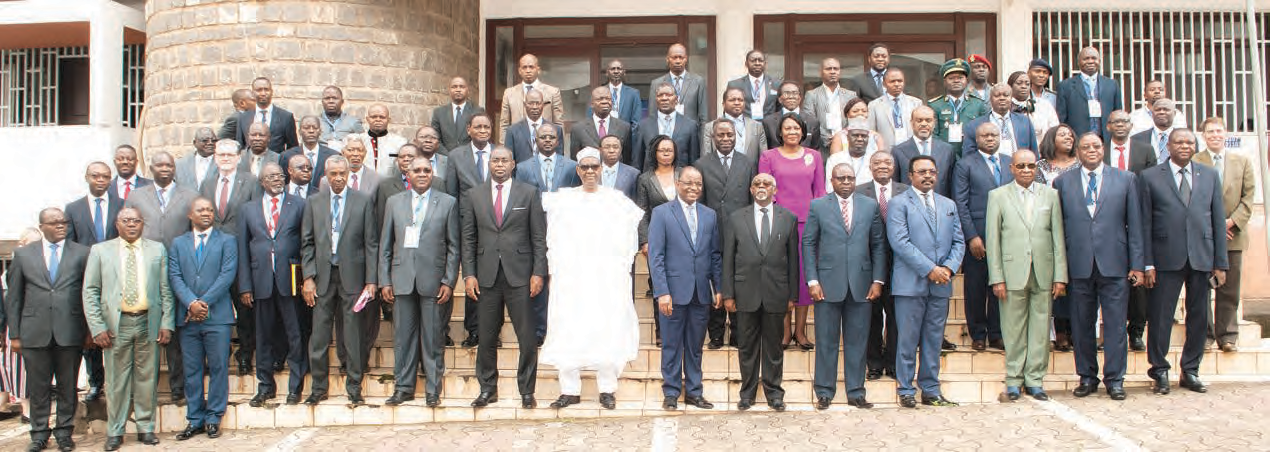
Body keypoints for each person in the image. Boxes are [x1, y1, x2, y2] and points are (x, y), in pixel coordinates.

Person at [539, 148, 643, 410]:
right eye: (584, 167)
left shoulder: (616, 200)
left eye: (593, 167)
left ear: (601, 170)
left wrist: (621, 269)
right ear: (577, 170)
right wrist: (553, 272)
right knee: (569, 328)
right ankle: (569, 389)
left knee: (606, 328)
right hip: (571, 277)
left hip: (605, 278)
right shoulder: (563, 201)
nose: (589, 171)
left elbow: (629, 238)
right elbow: (552, 240)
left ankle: (607, 388)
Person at [1053, 132, 1144, 401]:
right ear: (1077, 152)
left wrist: (1137, 264)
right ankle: (1087, 377)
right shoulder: (1062, 182)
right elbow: (1058, 229)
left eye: (1095, 146)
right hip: (1079, 265)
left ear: (1103, 149)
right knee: (1081, 325)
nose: (1091, 150)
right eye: (1085, 147)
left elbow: (1136, 225)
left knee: (1115, 325)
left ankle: (1115, 379)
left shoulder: (1126, 179)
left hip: (1115, 264)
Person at [1140, 128, 1228, 395]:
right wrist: (1147, 263)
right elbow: (1144, 223)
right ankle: (1160, 370)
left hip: (1202, 256)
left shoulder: (1209, 175)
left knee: (1199, 317)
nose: (1185, 146)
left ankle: (1190, 370)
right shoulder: (1150, 176)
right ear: (1168, 144)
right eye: (1179, 141)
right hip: (1165, 258)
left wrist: (1220, 263)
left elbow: (1217, 219)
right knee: (1161, 317)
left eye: (1190, 142)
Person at [462, 147, 547, 409]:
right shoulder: (474, 195)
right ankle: (488, 389)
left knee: (527, 337)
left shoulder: (529, 192)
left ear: (513, 164)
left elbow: (538, 238)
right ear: (489, 164)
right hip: (486, 276)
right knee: (486, 336)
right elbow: (468, 238)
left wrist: (538, 272)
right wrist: (469, 274)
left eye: (504, 160)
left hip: (520, 275)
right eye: (495, 160)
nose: (499, 165)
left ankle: (526, 391)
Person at [83, 207, 175, 451]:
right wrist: (97, 326)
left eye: (136, 221)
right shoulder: (100, 251)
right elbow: (90, 291)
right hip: (116, 324)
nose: (132, 225)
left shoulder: (157, 249)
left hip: (149, 321)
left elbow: (165, 289)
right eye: (126, 220)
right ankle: (116, 430)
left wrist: (167, 322)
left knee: (147, 378)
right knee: (116, 380)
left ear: (143, 223)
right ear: (117, 223)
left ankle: (146, 427)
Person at [985, 149, 1067, 401]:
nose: (1026, 170)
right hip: (1011, 273)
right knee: (1013, 329)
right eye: (1020, 166)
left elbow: (1057, 237)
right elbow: (993, 239)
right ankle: (1013, 379)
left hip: (1044, 270)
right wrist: (996, 277)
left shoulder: (1050, 195)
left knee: (1041, 329)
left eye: (1031, 166)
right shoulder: (998, 196)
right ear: (1011, 168)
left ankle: (1034, 380)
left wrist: (1060, 275)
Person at [6, 208, 90, 452]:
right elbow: (14, 298)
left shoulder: (81, 253)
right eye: (54, 223)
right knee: (39, 387)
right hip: (34, 331)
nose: (61, 226)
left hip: (70, 330)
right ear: (42, 226)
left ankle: (64, 432)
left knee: (67, 386)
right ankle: (39, 433)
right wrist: (15, 334)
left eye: (63, 222)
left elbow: (87, 292)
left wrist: (87, 330)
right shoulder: (23, 255)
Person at [804, 163, 887, 410]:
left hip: (862, 284)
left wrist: (878, 280)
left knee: (858, 341)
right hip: (827, 285)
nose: (847, 182)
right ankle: (824, 392)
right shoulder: (818, 206)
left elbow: (879, 245)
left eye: (850, 178)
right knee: (826, 340)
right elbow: (808, 244)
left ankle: (856, 392)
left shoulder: (869, 205)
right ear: (832, 180)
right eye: (841, 178)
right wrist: (812, 280)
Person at [380, 157, 460, 408]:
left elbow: (453, 247)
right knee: (403, 337)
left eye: (427, 170)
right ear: (408, 173)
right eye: (417, 170)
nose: (423, 174)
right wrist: (385, 280)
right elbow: (385, 246)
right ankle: (403, 388)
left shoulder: (447, 202)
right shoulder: (394, 202)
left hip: (434, 282)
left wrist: (448, 280)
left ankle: (432, 390)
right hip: (401, 280)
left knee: (433, 338)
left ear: (432, 173)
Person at [887, 155, 966, 408]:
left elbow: (959, 241)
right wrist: (930, 269)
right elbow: (900, 242)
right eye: (921, 171)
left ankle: (930, 389)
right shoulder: (898, 203)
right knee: (907, 339)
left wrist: (948, 268)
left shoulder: (948, 204)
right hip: (910, 283)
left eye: (932, 171)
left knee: (933, 339)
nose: (927, 176)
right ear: (910, 175)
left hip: (941, 283)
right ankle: (906, 389)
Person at [300, 155, 377, 406]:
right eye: (333, 174)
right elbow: (307, 243)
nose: (338, 178)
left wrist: (371, 281)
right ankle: (319, 387)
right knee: (320, 335)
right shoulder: (314, 203)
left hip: (353, 279)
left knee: (352, 334)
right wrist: (308, 277)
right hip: (322, 278)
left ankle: (354, 386)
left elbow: (370, 244)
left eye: (342, 173)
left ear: (348, 173)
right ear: (325, 175)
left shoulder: (363, 201)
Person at [721, 173, 797, 411]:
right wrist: (728, 294)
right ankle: (748, 393)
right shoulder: (736, 218)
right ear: (751, 190)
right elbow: (728, 259)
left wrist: (792, 295)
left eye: (767, 184)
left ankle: (775, 394)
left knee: (774, 347)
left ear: (775, 190)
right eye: (757, 184)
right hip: (745, 293)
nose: (762, 187)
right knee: (747, 347)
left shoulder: (789, 218)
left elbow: (794, 260)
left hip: (776, 292)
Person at [125, 150, 196, 403]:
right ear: (151, 169)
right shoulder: (136, 196)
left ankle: (179, 387)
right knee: (148, 331)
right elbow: (127, 229)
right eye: (160, 165)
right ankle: (146, 391)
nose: (165, 168)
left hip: (181, 271)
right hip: (147, 270)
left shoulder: (189, 195)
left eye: (169, 165)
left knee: (178, 330)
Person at [648, 166, 721, 411]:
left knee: (695, 345)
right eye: (689, 183)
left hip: (700, 292)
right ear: (678, 184)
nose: (694, 188)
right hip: (673, 292)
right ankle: (670, 392)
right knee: (671, 344)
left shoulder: (710, 215)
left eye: (698, 184)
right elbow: (655, 257)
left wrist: (718, 288)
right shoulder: (661, 213)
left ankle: (694, 391)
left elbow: (714, 255)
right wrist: (662, 292)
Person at [239, 163, 309, 407]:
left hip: (290, 280)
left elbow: (306, 243)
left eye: (280, 175)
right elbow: (242, 249)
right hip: (261, 282)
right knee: (264, 336)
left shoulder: (299, 205)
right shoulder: (248, 210)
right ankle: (265, 386)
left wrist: (306, 278)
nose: (277, 179)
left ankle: (295, 386)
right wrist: (245, 286)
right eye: (271, 176)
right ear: (262, 182)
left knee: (295, 334)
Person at [168, 198, 237, 441]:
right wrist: (191, 303)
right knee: (192, 369)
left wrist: (203, 303)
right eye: (200, 210)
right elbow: (175, 276)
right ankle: (195, 419)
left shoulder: (227, 241)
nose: (206, 213)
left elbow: (227, 274)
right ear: (190, 214)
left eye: (209, 209)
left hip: (217, 317)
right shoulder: (178, 244)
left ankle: (213, 418)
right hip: (188, 318)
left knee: (218, 367)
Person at [760, 114, 825, 349]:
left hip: (808, 223)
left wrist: (820, 221)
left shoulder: (814, 156)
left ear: (803, 131)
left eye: (796, 128)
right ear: (780, 132)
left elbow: (820, 191)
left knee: (805, 276)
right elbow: (765, 189)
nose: (792, 132)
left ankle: (801, 331)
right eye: (787, 128)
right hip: (780, 223)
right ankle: (785, 331)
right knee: (783, 277)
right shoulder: (768, 156)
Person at [1193, 117, 1255, 352]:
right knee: (1201, 287)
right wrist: (1213, 228)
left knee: (1229, 287)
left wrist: (1230, 224)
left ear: (1225, 132)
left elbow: (1248, 198)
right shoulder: (1195, 161)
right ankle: (1205, 335)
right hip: (1203, 236)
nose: (1215, 135)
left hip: (1233, 235)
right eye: (1210, 131)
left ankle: (1227, 335)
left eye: (1219, 130)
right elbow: (1192, 201)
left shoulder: (1242, 161)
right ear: (1203, 135)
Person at [200, 139, 261, 374]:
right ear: (215, 157)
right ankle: (217, 355)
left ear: (238, 158)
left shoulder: (251, 182)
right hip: (212, 256)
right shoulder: (206, 184)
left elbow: (255, 217)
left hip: (241, 254)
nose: (225, 159)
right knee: (214, 307)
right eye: (220, 155)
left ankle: (245, 355)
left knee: (244, 309)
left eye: (229, 155)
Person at [953, 122, 1013, 351]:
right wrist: (971, 236)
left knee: (1000, 285)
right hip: (978, 235)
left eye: (994, 134)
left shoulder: (1010, 162)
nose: (990, 138)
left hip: (1007, 235)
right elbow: (960, 202)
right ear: (976, 139)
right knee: (976, 286)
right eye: (984, 135)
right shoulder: (965, 164)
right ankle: (978, 333)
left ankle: (997, 333)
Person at [695, 120, 755, 349]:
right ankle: (717, 333)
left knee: (739, 283)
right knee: (715, 281)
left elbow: (751, 200)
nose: (726, 138)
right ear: (713, 138)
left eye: (730, 134)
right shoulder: (702, 164)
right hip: (713, 231)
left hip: (741, 233)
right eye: (721, 135)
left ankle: (738, 333)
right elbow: (699, 201)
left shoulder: (748, 163)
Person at [63, 161, 120, 404]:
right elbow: (69, 244)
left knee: (114, 329)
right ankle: (95, 382)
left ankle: (115, 382)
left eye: (106, 177)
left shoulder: (121, 205)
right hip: (85, 275)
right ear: (87, 177)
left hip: (115, 276)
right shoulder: (74, 208)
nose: (101, 180)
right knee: (90, 331)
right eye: (96, 176)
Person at [1106, 109, 1156, 352]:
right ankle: (1109, 332)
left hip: (1137, 217)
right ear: (1108, 126)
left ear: (1131, 124)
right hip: (1109, 221)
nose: (1120, 126)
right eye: (1115, 122)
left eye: (1124, 121)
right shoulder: (1099, 150)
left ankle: (1136, 331)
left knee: (1137, 277)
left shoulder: (1144, 150)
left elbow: (1151, 183)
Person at [857, 152, 910, 379]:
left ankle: (893, 363)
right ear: (870, 167)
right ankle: (874, 364)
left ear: (894, 166)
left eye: (887, 162)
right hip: (867, 263)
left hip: (900, 263)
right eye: (877, 162)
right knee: (872, 315)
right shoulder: (859, 192)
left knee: (897, 315)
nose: (882, 166)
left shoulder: (907, 191)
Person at [636, 136, 683, 346]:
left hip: (683, 238)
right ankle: (661, 331)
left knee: (682, 283)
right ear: (655, 153)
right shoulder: (645, 179)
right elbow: (643, 212)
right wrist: (644, 240)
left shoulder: (684, 174)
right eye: (661, 150)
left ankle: (680, 328)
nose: (666, 153)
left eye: (669, 150)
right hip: (657, 238)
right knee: (659, 282)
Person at [1056, 47, 1123, 141]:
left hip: (1107, 140)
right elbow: (1062, 118)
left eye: (1094, 58)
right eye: (1086, 59)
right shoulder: (1065, 86)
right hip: (1077, 140)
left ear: (1099, 61)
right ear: (1078, 62)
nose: (1090, 61)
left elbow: (1118, 113)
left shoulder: (1112, 84)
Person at [634, 83, 701, 170]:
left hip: (680, 180)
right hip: (650, 181)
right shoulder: (643, 126)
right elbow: (637, 161)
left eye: (668, 95)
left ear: (676, 99)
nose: (664, 98)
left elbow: (694, 160)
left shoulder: (690, 126)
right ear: (656, 100)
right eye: (660, 95)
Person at [893, 106, 956, 198]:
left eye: (928, 120)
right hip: (910, 206)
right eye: (919, 120)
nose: (924, 124)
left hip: (940, 206)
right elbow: (895, 185)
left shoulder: (947, 150)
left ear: (934, 123)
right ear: (912, 123)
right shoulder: (898, 151)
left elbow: (951, 183)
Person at [928, 58, 989, 153]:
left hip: (971, 154)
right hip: (944, 154)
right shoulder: (935, 105)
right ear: (944, 82)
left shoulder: (978, 104)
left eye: (960, 78)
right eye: (951, 78)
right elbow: (933, 134)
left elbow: (985, 131)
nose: (956, 81)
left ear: (966, 81)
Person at [499, 53, 565, 138]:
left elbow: (558, 123)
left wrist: (558, 148)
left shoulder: (552, 92)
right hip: (517, 143)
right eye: (524, 67)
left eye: (531, 67)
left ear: (538, 69)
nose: (528, 70)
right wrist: (505, 148)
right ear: (519, 71)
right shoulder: (509, 93)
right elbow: (504, 125)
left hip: (544, 144)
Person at [962, 84, 1038, 157]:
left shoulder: (1025, 121)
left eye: (1006, 95)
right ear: (990, 99)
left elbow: (1034, 152)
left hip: (1020, 168)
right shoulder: (974, 126)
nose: (1002, 98)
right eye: (997, 95)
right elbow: (969, 157)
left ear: (1011, 98)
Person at [649, 44, 709, 126]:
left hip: (691, 135)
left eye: (681, 57)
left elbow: (703, 117)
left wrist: (701, 138)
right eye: (674, 57)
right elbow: (652, 115)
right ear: (667, 59)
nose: (678, 61)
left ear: (686, 59)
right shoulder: (656, 84)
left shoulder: (698, 82)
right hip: (665, 133)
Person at [235, 77, 298, 153]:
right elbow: (240, 146)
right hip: (251, 163)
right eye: (259, 90)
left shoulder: (286, 117)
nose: (263, 93)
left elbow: (293, 149)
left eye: (266, 89)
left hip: (276, 163)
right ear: (253, 93)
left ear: (271, 92)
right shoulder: (243, 117)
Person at [802, 57, 859, 141]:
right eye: (828, 69)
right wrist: (827, 138)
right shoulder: (812, 95)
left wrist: (843, 136)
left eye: (836, 69)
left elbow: (856, 120)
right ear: (821, 72)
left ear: (839, 72)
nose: (833, 72)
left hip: (846, 143)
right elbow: (810, 121)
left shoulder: (851, 95)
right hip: (821, 143)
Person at [446, 113, 496, 209]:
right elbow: (452, 194)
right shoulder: (455, 156)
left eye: (487, 127)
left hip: (495, 215)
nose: (483, 131)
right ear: (469, 130)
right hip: (467, 217)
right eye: (478, 127)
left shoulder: (501, 154)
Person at [702, 87, 768, 157]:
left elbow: (764, 157)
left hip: (751, 168)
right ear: (723, 104)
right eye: (732, 100)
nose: (737, 103)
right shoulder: (710, 127)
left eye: (740, 100)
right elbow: (706, 157)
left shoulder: (757, 126)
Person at [867, 69, 923, 150]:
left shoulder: (916, 103)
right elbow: (871, 132)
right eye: (892, 81)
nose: (896, 84)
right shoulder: (874, 105)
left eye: (900, 81)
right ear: (884, 84)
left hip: (911, 151)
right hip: (886, 151)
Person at [504, 90, 564, 164]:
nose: (535, 107)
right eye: (531, 103)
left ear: (543, 105)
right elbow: (509, 161)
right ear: (525, 104)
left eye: (538, 103)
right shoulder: (512, 131)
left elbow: (559, 159)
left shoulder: (556, 130)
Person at [279, 115, 338, 192]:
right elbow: (284, 182)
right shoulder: (287, 156)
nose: (311, 131)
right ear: (299, 131)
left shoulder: (332, 156)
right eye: (306, 128)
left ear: (320, 131)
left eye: (315, 128)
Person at [347, 104, 409, 176]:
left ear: (388, 120)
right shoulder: (356, 140)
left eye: (382, 117)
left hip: (389, 185)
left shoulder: (400, 142)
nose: (378, 120)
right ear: (367, 119)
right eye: (374, 117)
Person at [570, 86, 632, 158]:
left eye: (608, 99)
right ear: (592, 104)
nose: (605, 101)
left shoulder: (624, 127)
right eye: (600, 99)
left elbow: (627, 159)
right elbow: (575, 159)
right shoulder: (578, 129)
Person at [762, 81, 824, 152]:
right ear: (780, 99)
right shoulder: (768, 122)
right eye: (787, 93)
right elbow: (767, 149)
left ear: (800, 98)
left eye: (795, 93)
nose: (791, 97)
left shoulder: (812, 121)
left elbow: (815, 150)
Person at [431, 77, 485, 153]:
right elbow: (435, 138)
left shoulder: (477, 111)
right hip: (446, 158)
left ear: (467, 90)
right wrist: (448, 156)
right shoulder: (439, 112)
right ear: (449, 90)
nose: (458, 90)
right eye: (454, 87)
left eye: (462, 87)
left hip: (469, 157)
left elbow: (480, 136)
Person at [727, 50, 781, 120]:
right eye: (753, 60)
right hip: (745, 126)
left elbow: (780, 108)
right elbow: (729, 108)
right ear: (746, 64)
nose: (757, 63)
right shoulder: (734, 85)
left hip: (769, 127)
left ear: (765, 63)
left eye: (760, 60)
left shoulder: (776, 84)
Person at [1007, 71, 1060, 143]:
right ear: (1010, 86)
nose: (1023, 86)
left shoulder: (1044, 105)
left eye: (1027, 84)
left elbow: (1055, 130)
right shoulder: (1005, 106)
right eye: (1019, 83)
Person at [825, 119, 878, 188]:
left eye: (863, 136)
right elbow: (830, 187)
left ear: (868, 138)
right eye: (855, 135)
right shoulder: (835, 159)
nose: (860, 139)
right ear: (847, 137)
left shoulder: (875, 160)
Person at [1131, 98, 1181, 164]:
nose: (1162, 112)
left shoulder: (1187, 138)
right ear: (1152, 114)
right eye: (1158, 110)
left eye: (1166, 109)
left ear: (1174, 113)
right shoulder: (1136, 139)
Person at [318, 85, 365, 151]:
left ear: (342, 102)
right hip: (322, 159)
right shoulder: (315, 122)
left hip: (345, 159)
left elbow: (363, 145)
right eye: (327, 98)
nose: (331, 101)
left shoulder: (354, 122)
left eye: (335, 98)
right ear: (322, 102)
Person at [599, 59, 643, 128]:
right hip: (603, 135)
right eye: (613, 69)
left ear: (624, 72)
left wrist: (627, 137)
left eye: (619, 69)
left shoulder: (633, 94)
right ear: (607, 73)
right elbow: (591, 119)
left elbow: (637, 122)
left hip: (625, 137)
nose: (616, 71)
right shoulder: (598, 92)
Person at [411, 126, 451, 194]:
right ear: (415, 142)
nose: (428, 140)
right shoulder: (407, 162)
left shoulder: (449, 162)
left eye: (433, 138)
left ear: (438, 144)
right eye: (423, 137)